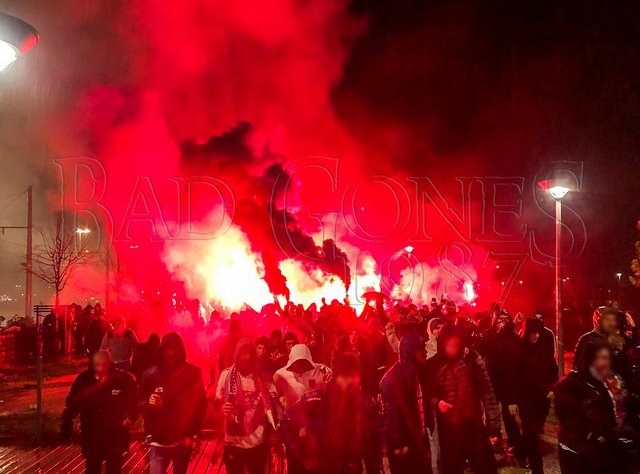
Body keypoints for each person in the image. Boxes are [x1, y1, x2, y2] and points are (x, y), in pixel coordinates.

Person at [288, 353, 383, 474]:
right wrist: (303, 454)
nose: (349, 381)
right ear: (335, 376)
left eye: (354, 376)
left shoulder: (366, 403)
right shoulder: (314, 399)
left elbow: (374, 447)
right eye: (345, 376)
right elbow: (288, 423)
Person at [554, 339, 638, 474]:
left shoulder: (605, 381)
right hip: (579, 455)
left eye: (606, 358)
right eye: (600, 358)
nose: (604, 362)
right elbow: (570, 421)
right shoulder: (572, 385)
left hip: (599, 451)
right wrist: (594, 435)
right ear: (589, 358)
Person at [426, 325, 500, 474]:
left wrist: (493, 427)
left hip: (473, 425)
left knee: (485, 467)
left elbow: (487, 393)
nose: (452, 349)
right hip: (449, 429)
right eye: (449, 346)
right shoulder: (434, 364)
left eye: (455, 345)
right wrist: (438, 403)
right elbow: (429, 394)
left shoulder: (471, 359)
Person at [138, 332, 207, 474]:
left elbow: (201, 405)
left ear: (181, 350)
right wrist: (149, 403)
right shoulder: (150, 374)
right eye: (167, 349)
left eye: (175, 349)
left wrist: (191, 434)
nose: (171, 353)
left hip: (182, 438)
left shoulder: (192, 372)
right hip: (158, 439)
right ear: (161, 350)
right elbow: (139, 401)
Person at [61, 351, 136, 474]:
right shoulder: (84, 380)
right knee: (92, 466)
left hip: (115, 433)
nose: (101, 368)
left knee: (114, 467)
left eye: (104, 365)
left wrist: (130, 417)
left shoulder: (122, 379)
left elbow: (133, 400)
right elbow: (73, 402)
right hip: (92, 433)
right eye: (97, 365)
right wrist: (68, 421)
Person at [216, 338, 280, 474]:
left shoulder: (264, 376)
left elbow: (273, 403)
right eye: (243, 354)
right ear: (237, 355)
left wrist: (275, 430)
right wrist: (222, 407)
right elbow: (217, 401)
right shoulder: (226, 374)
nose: (246, 357)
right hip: (233, 440)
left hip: (256, 440)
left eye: (250, 354)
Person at [380, 332, 432, 474]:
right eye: (421, 349)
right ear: (411, 352)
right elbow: (391, 415)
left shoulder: (419, 372)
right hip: (404, 445)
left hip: (418, 440)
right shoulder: (392, 379)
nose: (425, 352)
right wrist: (400, 443)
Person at [478, 311, 523, 459]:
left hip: (510, 383)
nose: (502, 323)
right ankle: (494, 441)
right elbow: (481, 348)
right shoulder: (490, 337)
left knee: (509, 415)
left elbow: (516, 364)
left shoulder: (514, 339)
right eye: (499, 320)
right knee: (492, 415)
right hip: (492, 382)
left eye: (505, 320)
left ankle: (515, 445)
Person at [518, 317, 558, 474]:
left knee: (533, 432)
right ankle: (537, 469)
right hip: (526, 399)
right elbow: (514, 376)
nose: (535, 336)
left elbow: (553, 372)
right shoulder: (519, 350)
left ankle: (519, 452)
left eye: (537, 333)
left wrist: (552, 388)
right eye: (532, 333)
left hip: (542, 399)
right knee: (531, 434)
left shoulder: (544, 350)